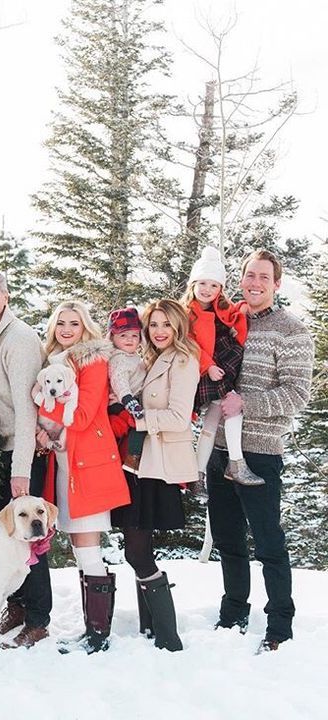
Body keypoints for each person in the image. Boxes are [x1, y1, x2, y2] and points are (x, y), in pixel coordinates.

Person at [207, 249, 314, 652]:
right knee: (228, 538)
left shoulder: (290, 330)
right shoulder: (227, 322)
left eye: (263, 277)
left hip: (261, 451)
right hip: (220, 448)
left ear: (276, 284)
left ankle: (279, 625)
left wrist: (246, 405)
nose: (254, 282)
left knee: (268, 541)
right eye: (249, 274)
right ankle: (233, 612)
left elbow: (297, 393)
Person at [36, 301, 130, 654]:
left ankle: (98, 635)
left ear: (85, 328)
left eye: (74, 323)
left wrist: (43, 406)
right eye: (61, 322)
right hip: (63, 465)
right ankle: (92, 628)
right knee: (79, 548)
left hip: (87, 467)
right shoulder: (56, 362)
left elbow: (84, 415)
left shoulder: (92, 362)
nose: (66, 328)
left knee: (88, 549)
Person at [111, 298, 200, 652]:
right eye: (154, 325)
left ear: (178, 326)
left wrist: (138, 417)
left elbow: (179, 417)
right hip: (138, 463)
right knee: (138, 545)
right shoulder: (149, 359)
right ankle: (151, 629)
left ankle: (168, 634)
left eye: (166, 324)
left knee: (136, 551)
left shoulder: (183, 360)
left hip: (158, 465)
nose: (159, 331)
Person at [0, 268, 49, 649]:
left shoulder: (20, 338)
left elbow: (26, 410)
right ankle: (15, 607)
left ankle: (38, 619)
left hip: (20, 451)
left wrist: (21, 471)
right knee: (4, 539)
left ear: (5, 296)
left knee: (31, 538)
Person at [182, 246, 260, 486]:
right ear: (193, 284)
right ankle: (236, 463)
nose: (207, 290)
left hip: (224, 364)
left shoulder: (222, 308)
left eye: (213, 285)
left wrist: (243, 310)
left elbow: (236, 325)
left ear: (220, 289)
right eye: (202, 283)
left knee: (213, 421)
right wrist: (208, 366)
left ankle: (197, 474)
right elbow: (187, 343)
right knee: (232, 404)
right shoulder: (186, 313)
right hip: (206, 370)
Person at [106, 307, 148, 473]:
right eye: (123, 335)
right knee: (139, 424)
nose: (129, 339)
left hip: (131, 400)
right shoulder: (119, 359)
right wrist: (128, 400)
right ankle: (132, 458)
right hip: (123, 402)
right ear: (113, 337)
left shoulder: (134, 358)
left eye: (134, 335)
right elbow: (119, 381)